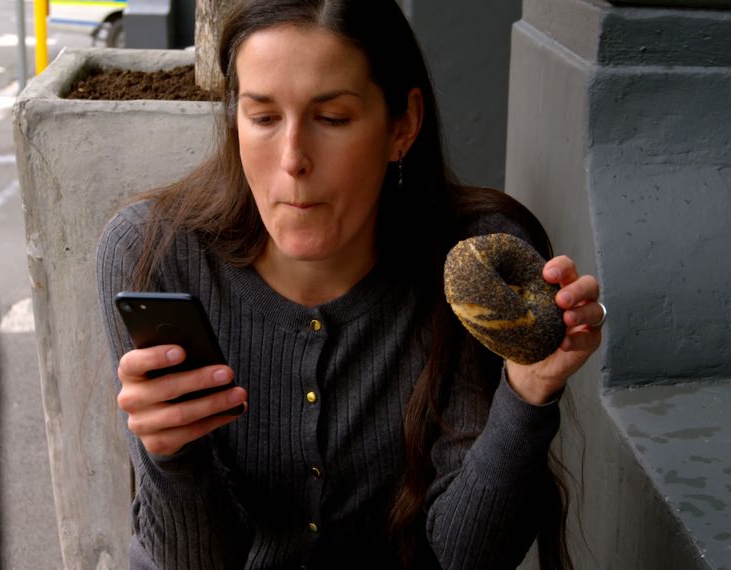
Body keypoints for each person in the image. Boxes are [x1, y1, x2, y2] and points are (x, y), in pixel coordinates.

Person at [96, 1, 605, 568]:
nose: (292, 160)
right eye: (262, 117)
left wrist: (527, 395)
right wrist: (171, 455)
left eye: (332, 118)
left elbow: (468, 556)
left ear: (402, 126)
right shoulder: (153, 255)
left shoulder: (470, 262)